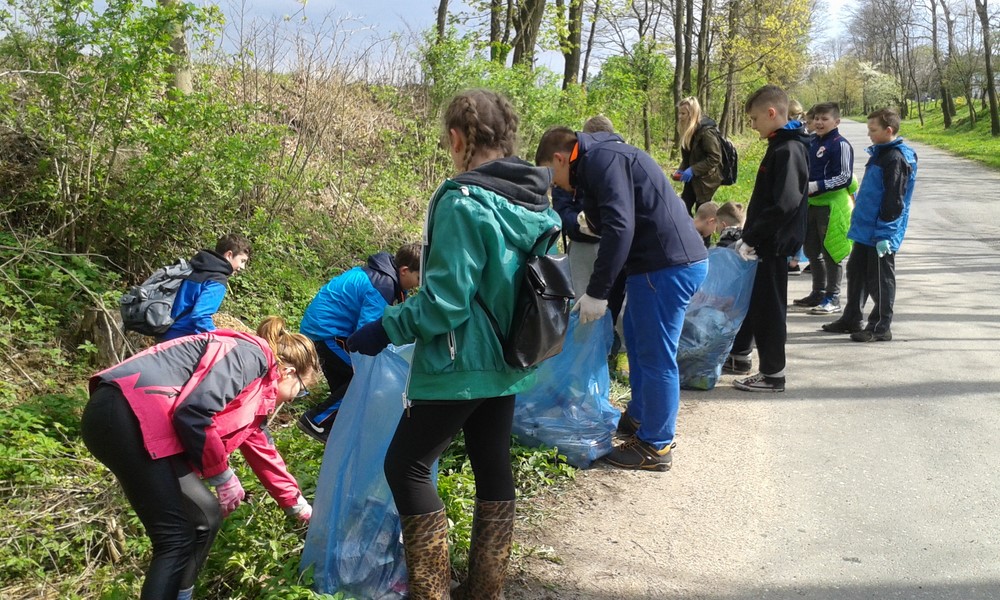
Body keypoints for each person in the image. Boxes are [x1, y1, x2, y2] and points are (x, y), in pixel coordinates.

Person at [345, 89, 560, 600]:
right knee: (491, 462)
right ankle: (486, 590)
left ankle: (432, 594)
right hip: (510, 359)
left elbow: (445, 303)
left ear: (457, 138)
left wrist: (384, 327)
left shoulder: (462, 200)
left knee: (406, 466)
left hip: (459, 363)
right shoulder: (534, 199)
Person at [81, 317, 319, 600]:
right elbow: (194, 412)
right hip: (125, 414)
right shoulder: (250, 356)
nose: (294, 399)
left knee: (203, 518)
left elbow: (263, 452)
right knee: (176, 536)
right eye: (302, 390)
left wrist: (298, 507)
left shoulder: (258, 393)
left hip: (131, 420)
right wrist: (223, 477)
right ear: (289, 372)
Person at [535, 124, 708, 472]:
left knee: (656, 354)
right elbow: (618, 219)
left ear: (559, 158)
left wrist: (597, 292)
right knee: (639, 339)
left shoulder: (601, 159)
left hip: (666, 265)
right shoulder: (601, 158)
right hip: (658, 264)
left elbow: (620, 226)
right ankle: (641, 417)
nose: (556, 185)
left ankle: (656, 445)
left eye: (552, 176)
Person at [725, 85, 810, 392]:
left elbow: (784, 203)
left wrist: (754, 236)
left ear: (772, 114)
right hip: (767, 241)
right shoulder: (780, 145)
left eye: (754, 118)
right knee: (757, 303)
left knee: (770, 310)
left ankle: (774, 374)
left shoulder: (788, 150)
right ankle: (740, 355)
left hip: (773, 244)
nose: (752, 125)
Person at [296, 244, 421, 443]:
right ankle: (316, 420)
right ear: (405, 271)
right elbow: (368, 331)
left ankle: (339, 428)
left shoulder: (384, 274)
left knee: (349, 383)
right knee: (364, 377)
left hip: (327, 329)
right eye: (418, 279)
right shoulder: (384, 284)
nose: (417, 286)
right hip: (327, 332)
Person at [822, 108, 917, 342]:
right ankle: (852, 318)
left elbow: (894, 201)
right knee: (856, 273)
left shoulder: (896, 158)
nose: (869, 134)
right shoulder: (881, 153)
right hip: (866, 230)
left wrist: (885, 234)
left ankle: (880, 327)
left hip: (880, 233)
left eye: (872, 130)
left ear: (889, 130)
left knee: (880, 280)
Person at [551, 115, 628, 359]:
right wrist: (580, 224)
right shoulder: (571, 164)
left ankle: (617, 354)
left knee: (620, 302)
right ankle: (583, 359)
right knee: (581, 306)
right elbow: (562, 207)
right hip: (584, 245)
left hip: (616, 244)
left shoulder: (618, 161)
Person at [793, 102, 855, 314]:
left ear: (836, 121)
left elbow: (845, 177)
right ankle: (817, 292)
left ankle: (833, 297)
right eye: (816, 118)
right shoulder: (810, 141)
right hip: (810, 203)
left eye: (824, 119)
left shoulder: (840, 144)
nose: (819, 123)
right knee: (811, 250)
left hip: (832, 206)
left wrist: (818, 185)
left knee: (832, 252)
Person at [160, 233, 252, 341]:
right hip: (182, 338)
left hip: (164, 329)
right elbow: (200, 315)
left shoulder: (195, 266)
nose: (242, 267)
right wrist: (216, 337)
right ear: (229, 255)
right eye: (242, 261)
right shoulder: (217, 280)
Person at [673, 96, 723, 216]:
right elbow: (688, 156)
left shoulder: (707, 132)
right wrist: (681, 170)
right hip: (692, 179)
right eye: (679, 113)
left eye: (683, 113)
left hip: (706, 181)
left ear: (692, 114)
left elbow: (715, 157)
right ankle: (689, 234)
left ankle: (703, 235)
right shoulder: (688, 132)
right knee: (683, 209)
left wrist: (692, 170)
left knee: (702, 214)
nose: (680, 117)